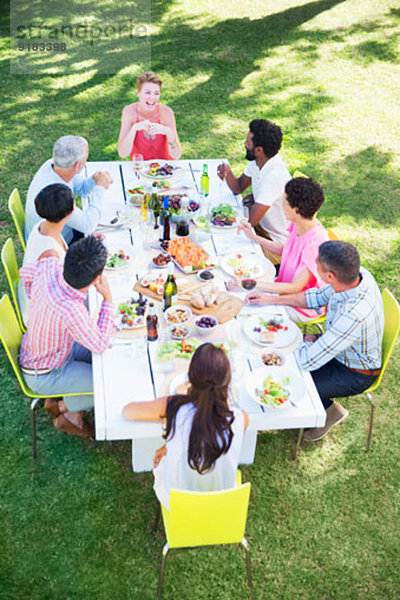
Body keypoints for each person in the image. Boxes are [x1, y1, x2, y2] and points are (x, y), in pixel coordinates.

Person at [246, 241, 384, 441]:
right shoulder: (355, 276)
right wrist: (271, 299)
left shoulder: (353, 315)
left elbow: (307, 361)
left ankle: (327, 411)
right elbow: (316, 298)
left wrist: (272, 348)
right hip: (338, 347)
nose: (313, 266)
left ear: (330, 276)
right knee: (287, 357)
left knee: (292, 387)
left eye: (317, 265)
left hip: (354, 372)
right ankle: (327, 408)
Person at [123, 343, 248, 510]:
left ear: (190, 379)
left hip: (179, 506)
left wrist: (177, 398)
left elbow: (128, 411)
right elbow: (209, 435)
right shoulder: (241, 418)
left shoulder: (173, 408)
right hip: (221, 508)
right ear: (227, 382)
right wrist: (168, 446)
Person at [19, 236, 115, 438]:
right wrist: (107, 299)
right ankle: (67, 410)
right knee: (107, 383)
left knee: (110, 361)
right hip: (46, 373)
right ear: (97, 279)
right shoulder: (70, 309)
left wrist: (40, 303)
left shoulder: (50, 263)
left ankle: (60, 403)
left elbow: (25, 273)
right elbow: (100, 343)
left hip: (53, 348)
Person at [234, 177, 329, 322]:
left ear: (296, 210)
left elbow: (295, 287)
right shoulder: (300, 223)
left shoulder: (316, 244)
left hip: (300, 305)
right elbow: (286, 250)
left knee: (247, 312)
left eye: (284, 203)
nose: (281, 206)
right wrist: (254, 238)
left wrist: (251, 284)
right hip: (282, 287)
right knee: (238, 293)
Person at [217, 119, 291, 264]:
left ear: (259, 150)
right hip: (260, 229)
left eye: (248, 142)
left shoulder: (274, 175)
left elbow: (251, 222)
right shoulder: (257, 162)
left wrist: (250, 204)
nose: (245, 144)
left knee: (226, 253)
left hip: (275, 243)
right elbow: (238, 187)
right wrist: (228, 173)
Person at [25, 135, 113, 243]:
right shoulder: (56, 193)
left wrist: (95, 180)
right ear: (77, 165)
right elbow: (88, 225)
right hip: (57, 245)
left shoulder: (56, 165)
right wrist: (99, 188)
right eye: (86, 160)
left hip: (63, 232)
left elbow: (82, 189)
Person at [18, 183, 74, 325]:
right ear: (69, 212)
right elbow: (59, 299)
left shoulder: (43, 224)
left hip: (40, 296)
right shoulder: (50, 256)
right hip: (41, 317)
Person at [117, 70, 182, 161]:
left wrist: (168, 132)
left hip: (164, 170)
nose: (152, 98)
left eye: (156, 93)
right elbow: (122, 153)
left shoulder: (166, 113)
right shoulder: (129, 112)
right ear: (138, 93)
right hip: (139, 168)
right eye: (147, 93)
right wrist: (134, 129)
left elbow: (176, 155)